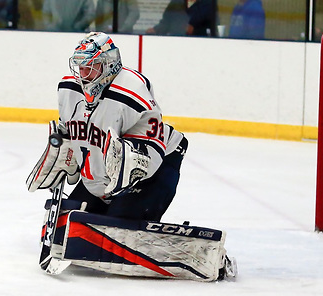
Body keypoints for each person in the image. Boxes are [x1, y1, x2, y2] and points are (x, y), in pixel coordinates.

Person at [26, 32, 236, 281]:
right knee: (72, 228)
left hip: (153, 170)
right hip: (103, 175)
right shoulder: (68, 89)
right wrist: (63, 150)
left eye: (91, 68)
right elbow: (70, 133)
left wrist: (125, 171)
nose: (83, 75)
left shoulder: (132, 92)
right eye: (80, 67)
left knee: (118, 231)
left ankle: (210, 258)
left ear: (109, 64)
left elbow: (150, 157)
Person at [146, 0, 216, 37]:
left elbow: (213, 27)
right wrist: (156, 30)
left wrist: (196, 30)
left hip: (197, 42)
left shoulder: (209, 3)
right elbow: (167, 20)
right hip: (176, 39)